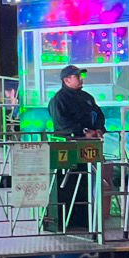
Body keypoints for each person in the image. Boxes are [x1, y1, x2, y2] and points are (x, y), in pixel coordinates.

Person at [43, 66, 105, 232]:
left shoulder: (86, 97)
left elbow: (99, 114)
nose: (81, 78)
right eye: (77, 76)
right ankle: (65, 220)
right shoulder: (59, 100)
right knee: (67, 184)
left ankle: (84, 219)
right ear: (66, 80)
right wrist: (84, 132)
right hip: (68, 148)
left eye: (81, 76)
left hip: (89, 148)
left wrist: (99, 130)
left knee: (85, 183)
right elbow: (62, 124)